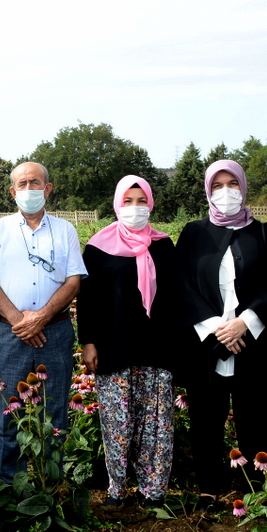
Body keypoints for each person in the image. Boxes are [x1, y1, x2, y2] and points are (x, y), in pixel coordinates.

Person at [175, 160, 267, 512]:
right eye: (218, 185)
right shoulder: (194, 234)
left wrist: (246, 322)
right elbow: (181, 286)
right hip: (207, 344)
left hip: (253, 343)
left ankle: (255, 493)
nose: (226, 192)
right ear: (208, 191)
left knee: (254, 417)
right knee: (206, 420)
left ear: (244, 186)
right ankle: (208, 488)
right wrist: (215, 328)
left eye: (233, 184)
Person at [0, 162, 87, 483]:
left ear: (47, 189)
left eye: (35, 183)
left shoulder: (65, 230)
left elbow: (73, 281)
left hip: (55, 330)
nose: (29, 189)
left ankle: (49, 484)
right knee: (9, 409)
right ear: (13, 192)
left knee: (54, 409)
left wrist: (41, 317)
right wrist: (18, 319)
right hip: (9, 333)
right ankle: (10, 483)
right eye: (22, 184)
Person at [78, 175, 180, 509]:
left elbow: (177, 296)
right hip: (114, 346)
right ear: (117, 204)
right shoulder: (98, 247)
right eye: (127, 201)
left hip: (158, 346)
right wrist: (89, 342)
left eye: (141, 202)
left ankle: (152, 490)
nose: (135, 209)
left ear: (150, 204)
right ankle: (117, 488)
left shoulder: (163, 245)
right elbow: (88, 301)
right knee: (118, 421)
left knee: (156, 422)